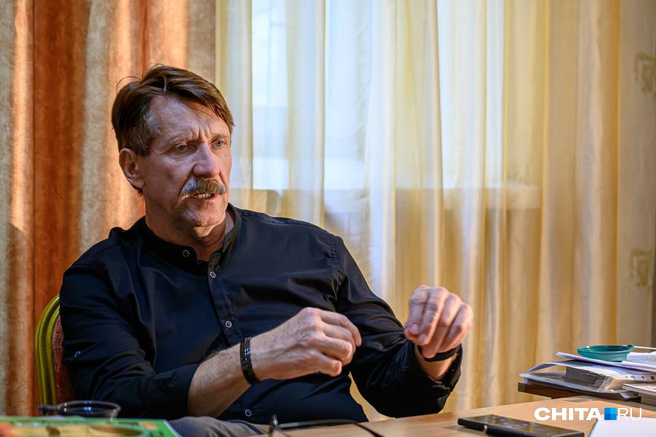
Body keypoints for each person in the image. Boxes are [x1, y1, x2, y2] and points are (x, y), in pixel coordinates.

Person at [59, 65, 473, 436]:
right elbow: (120, 411)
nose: (209, 167)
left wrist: (433, 351)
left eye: (219, 143)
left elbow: (401, 396)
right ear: (133, 167)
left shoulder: (314, 249)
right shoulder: (99, 278)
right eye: (182, 147)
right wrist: (252, 358)